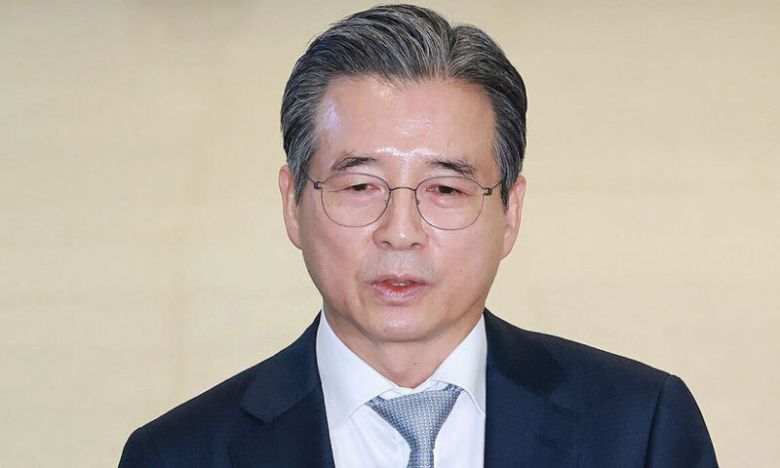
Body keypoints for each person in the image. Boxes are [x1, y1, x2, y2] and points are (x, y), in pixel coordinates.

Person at [119, 4, 717, 467]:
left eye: (446, 189)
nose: (400, 233)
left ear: (510, 212)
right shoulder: (178, 454)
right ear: (293, 205)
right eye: (360, 186)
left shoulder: (640, 429)